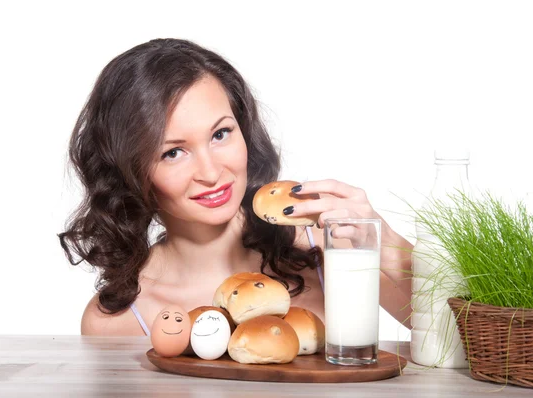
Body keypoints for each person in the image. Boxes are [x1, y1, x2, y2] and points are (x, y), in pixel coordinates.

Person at [59, 38, 413, 336]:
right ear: (129, 172)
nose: (211, 172)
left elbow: (452, 336)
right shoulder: (117, 320)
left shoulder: (324, 248)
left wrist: (384, 241)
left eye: (220, 133)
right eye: (173, 152)